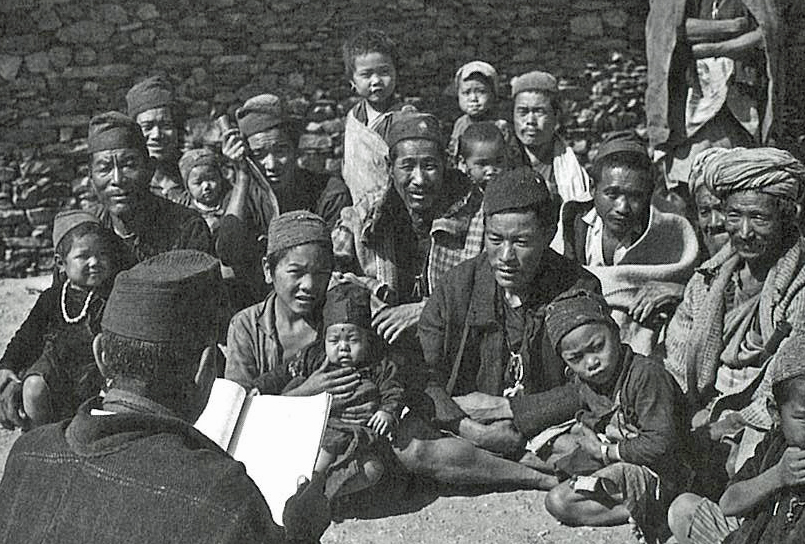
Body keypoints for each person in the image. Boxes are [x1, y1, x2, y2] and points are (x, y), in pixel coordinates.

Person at [0, 250, 330, 543]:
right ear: (205, 370)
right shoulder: (224, 498)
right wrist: (301, 532)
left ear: (101, 355)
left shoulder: (28, 454)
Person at [391, 167, 600, 489]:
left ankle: (495, 464)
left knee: (587, 449)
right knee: (411, 447)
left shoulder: (578, 287)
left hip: (544, 424)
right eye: (495, 239)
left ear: (548, 233)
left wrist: (511, 409)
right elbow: (420, 372)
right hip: (467, 424)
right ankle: (536, 478)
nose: (506, 257)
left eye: (521, 242)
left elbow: (594, 381)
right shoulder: (458, 285)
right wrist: (470, 429)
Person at [663, 147, 805, 499]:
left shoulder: (799, 288)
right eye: (734, 216)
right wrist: (685, 417)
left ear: (788, 217)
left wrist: (731, 422)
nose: (745, 232)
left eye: (759, 218)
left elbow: (787, 386)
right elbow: (679, 365)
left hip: (764, 419)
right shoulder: (708, 280)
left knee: (738, 468)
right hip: (705, 414)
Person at [226, 211, 385, 499]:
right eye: (296, 272)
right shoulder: (245, 326)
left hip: (338, 438)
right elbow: (234, 416)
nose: (310, 286)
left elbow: (380, 369)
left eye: (321, 273)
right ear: (268, 269)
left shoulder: (341, 320)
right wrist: (305, 396)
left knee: (371, 469)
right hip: (272, 442)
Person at [541, 289, 689, 544]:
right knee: (555, 456)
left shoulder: (645, 376)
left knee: (559, 501)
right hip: (624, 453)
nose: (591, 362)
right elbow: (591, 414)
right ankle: (640, 502)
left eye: (597, 347)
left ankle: (658, 509)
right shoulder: (590, 382)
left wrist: (605, 452)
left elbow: (661, 444)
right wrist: (586, 427)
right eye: (576, 358)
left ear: (616, 333)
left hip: (666, 470)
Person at [255, 283, 404, 499]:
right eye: (334, 340)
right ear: (324, 339)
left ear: (368, 340)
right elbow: (282, 373)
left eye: (352, 340)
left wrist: (387, 411)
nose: (342, 347)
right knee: (323, 454)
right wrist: (259, 387)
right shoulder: (314, 358)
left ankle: (323, 498)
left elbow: (393, 388)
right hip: (320, 431)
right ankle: (307, 489)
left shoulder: (378, 365)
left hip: (358, 437)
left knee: (373, 470)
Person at [556, 132, 699, 354]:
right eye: (612, 194)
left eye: (635, 197)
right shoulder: (572, 226)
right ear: (593, 188)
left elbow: (703, 289)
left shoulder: (671, 234)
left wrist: (678, 291)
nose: (623, 207)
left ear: (649, 195)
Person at [333, 111, 468, 345]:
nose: (419, 179)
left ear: (445, 165)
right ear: (389, 167)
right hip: (382, 345)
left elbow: (488, 287)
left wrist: (426, 310)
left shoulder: (472, 211)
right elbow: (331, 274)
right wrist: (375, 304)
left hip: (454, 344)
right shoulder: (365, 214)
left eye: (429, 166)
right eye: (407, 166)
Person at [667, 329, 805, 544]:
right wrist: (777, 476)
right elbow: (728, 503)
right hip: (748, 536)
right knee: (683, 509)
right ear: (775, 413)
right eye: (802, 417)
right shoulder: (775, 442)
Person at [219, 93, 351, 307]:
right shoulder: (243, 199)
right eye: (259, 154)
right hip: (256, 310)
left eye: (280, 150)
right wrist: (242, 177)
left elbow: (334, 264)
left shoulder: (328, 192)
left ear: (295, 148)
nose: (271, 164)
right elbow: (228, 253)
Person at [645, 0, 787, 188]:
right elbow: (670, 32)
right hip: (690, 105)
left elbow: (766, 33)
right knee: (689, 181)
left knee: (741, 181)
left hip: (740, 100)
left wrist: (712, 49)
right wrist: (734, 26)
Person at [0, 211, 121, 429]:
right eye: (83, 256)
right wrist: (8, 365)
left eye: (102, 254)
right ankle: (42, 438)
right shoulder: (52, 298)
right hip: (55, 373)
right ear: (61, 263)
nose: (95, 262)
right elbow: (27, 336)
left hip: (95, 376)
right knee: (33, 387)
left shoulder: (113, 295)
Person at [83, 111, 213, 262]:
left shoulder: (187, 228)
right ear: (91, 176)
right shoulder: (84, 230)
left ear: (150, 169)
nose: (117, 180)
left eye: (129, 165)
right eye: (105, 168)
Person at [429, 121, 508, 291]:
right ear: (464, 163)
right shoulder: (458, 194)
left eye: (498, 162)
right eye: (482, 164)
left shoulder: (508, 193)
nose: (491, 170)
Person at [508, 69, 591, 223]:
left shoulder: (571, 170)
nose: (530, 120)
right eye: (523, 112)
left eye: (539, 112)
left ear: (556, 115)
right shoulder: (502, 159)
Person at [341, 29, 409, 203]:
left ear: (396, 73)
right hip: (359, 205)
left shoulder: (406, 118)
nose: (376, 81)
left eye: (384, 71)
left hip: (396, 208)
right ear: (352, 82)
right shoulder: (354, 118)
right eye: (366, 74)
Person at [126, 75, 191, 205]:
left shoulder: (196, 175)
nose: (156, 135)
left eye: (166, 125)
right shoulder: (126, 183)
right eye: (147, 127)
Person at [446, 61, 509, 166]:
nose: (473, 99)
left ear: (493, 94)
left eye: (481, 91)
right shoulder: (460, 124)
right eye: (466, 93)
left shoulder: (500, 126)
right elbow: (453, 155)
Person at [178, 147, 229, 238]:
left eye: (212, 179)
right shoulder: (183, 205)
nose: (206, 186)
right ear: (187, 186)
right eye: (198, 183)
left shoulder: (230, 200)